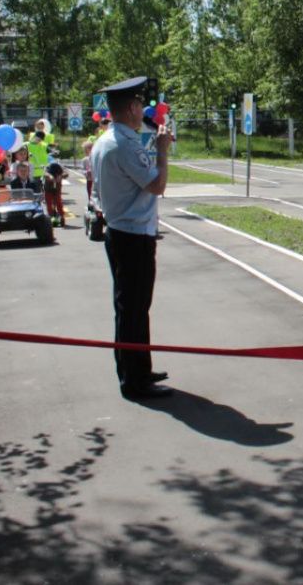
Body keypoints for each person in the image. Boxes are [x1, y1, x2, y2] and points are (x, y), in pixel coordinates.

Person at [90, 76, 173, 400]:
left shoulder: (107, 140)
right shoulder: (124, 144)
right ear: (131, 108)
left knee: (133, 307)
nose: (143, 109)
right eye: (139, 104)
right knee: (133, 308)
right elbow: (157, 185)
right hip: (133, 235)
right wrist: (163, 152)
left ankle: (138, 368)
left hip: (123, 231)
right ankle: (134, 380)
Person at [43, 161, 68, 227]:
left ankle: (61, 216)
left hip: (57, 190)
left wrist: (61, 176)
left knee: (58, 202)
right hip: (48, 189)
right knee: (49, 203)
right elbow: (45, 174)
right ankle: (50, 216)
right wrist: (50, 177)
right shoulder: (47, 169)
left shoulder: (60, 168)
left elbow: (66, 173)